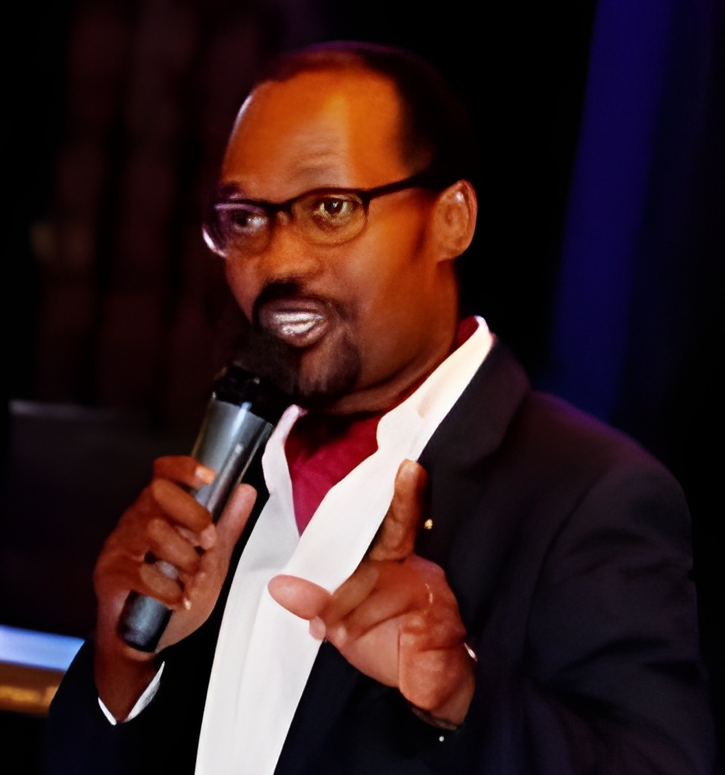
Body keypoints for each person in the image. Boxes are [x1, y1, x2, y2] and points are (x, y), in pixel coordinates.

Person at [40, 40, 716, 774]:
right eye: (245, 218)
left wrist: (460, 698)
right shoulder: (222, 468)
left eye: (331, 208)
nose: (278, 261)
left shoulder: (588, 495)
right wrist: (123, 669)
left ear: (451, 221)